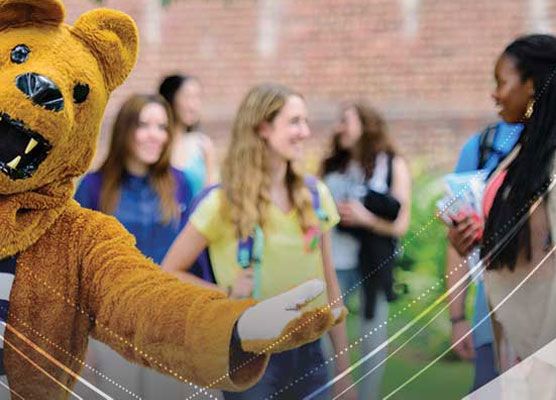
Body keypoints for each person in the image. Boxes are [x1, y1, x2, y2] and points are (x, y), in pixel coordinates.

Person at [162, 84, 354, 400]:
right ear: (263, 127)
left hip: (310, 355)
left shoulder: (315, 196)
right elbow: (170, 271)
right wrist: (224, 293)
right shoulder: (223, 203)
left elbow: (331, 289)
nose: (305, 132)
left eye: (305, 122)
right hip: (250, 356)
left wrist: (344, 372)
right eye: (294, 122)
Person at [451, 34, 556, 370]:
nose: (494, 94)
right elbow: (535, 242)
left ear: (532, 85)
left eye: (501, 82)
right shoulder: (530, 152)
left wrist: (546, 361)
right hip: (518, 344)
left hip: (555, 359)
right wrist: (475, 238)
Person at [74, 94, 197, 398]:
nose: (154, 135)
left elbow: (192, 258)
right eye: (144, 125)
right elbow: (74, 265)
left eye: (162, 127)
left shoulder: (181, 183)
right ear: (125, 130)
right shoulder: (93, 186)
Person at [321, 102, 411, 400]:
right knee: (325, 334)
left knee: (372, 335)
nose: (339, 128)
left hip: (372, 261)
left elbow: (400, 225)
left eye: (345, 120)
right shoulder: (333, 166)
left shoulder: (391, 164)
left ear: (366, 125)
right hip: (335, 261)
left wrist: (365, 219)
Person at [444, 120, 521, 393]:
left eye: (504, 81)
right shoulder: (481, 147)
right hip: (489, 321)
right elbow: (456, 240)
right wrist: (457, 317)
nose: (496, 94)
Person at [159, 74, 216, 196]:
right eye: (187, 97)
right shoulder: (157, 142)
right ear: (171, 98)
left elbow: (209, 196)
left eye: (197, 97)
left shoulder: (203, 145)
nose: (193, 105)